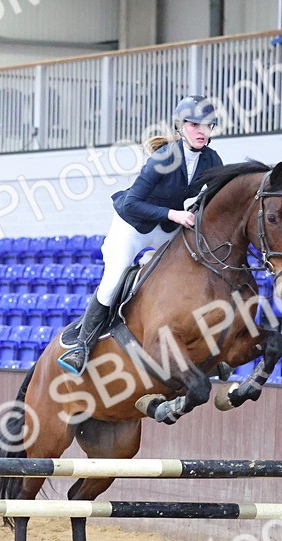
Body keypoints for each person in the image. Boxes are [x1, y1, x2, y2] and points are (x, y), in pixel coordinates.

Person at [57, 95, 223, 375]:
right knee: (112, 281)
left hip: (166, 231)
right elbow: (133, 202)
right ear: (180, 126)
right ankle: (82, 347)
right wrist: (174, 214)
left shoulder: (212, 159)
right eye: (194, 124)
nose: (201, 131)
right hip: (132, 226)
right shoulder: (164, 156)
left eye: (207, 126)